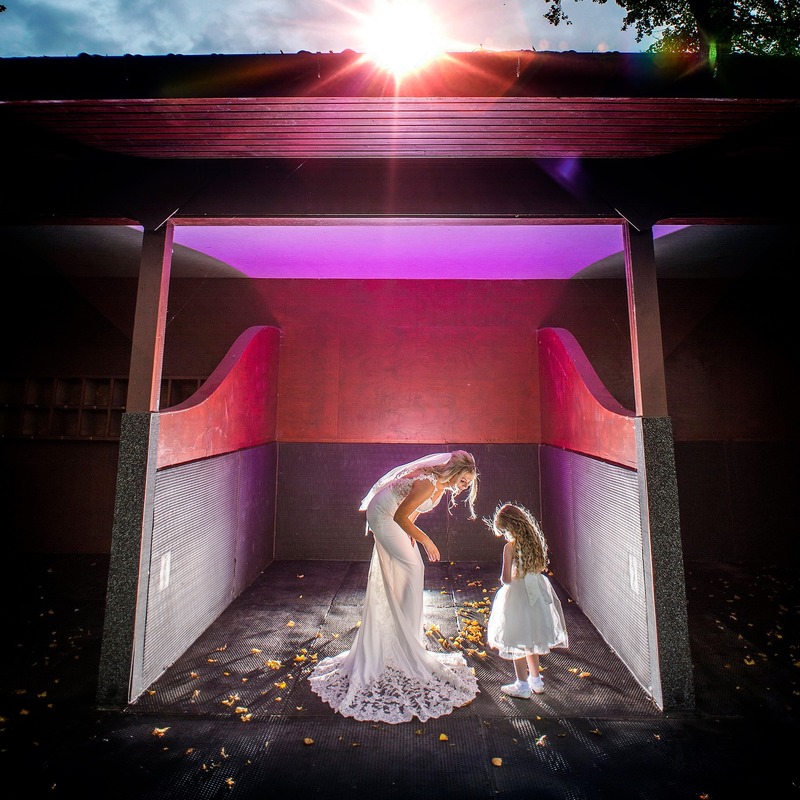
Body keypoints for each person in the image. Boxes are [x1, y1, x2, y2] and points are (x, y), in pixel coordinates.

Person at [308, 451, 480, 723]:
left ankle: (403, 633)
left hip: (395, 517)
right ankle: (402, 634)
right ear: (454, 473)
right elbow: (400, 516)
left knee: (410, 568)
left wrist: (410, 534)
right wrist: (425, 540)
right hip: (382, 514)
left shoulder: (439, 487)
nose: (464, 486)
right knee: (415, 567)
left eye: (468, 483)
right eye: (463, 480)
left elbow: (412, 511)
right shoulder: (428, 483)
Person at [485, 502, 568, 699]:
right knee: (532, 635)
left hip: (518, 594)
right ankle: (536, 680)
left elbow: (506, 579)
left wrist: (508, 576)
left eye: (504, 530)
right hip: (535, 591)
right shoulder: (535, 542)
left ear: (510, 527)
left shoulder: (510, 547)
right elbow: (539, 567)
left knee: (517, 638)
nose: (505, 535)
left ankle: (521, 684)